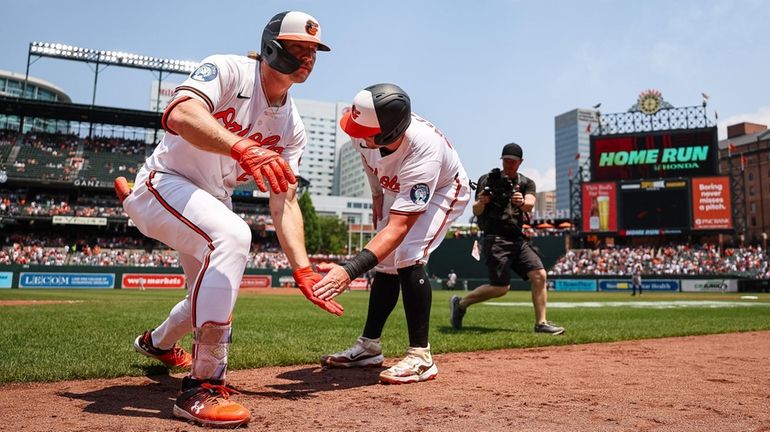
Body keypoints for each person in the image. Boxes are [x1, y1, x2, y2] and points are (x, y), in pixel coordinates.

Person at [116, 11, 341, 427]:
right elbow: (180, 115)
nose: (308, 57)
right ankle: (202, 386)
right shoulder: (229, 70)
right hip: (166, 182)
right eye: (299, 47)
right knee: (234, 236)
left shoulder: (293, 128)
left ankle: (157, 343)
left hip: (211, 199)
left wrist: (303, 267)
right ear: (272, 45)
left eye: (314, 51)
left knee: (209, 293)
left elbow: (285, 202)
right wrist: (242, 147)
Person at [312, 84, 471, 384]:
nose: (354, 132)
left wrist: (348, 272)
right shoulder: (366, 130)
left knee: (408, 254)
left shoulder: (424, 149)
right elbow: (368, 162)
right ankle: (369, 347)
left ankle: (421, 357)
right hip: (394, 185)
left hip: (444, 188)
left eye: (362, 130)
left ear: (387, 133)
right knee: (385, 261)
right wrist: (376, 195)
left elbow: (398, 229)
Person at [449, 143, 564, 335]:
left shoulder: (526, 182)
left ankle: (541, 323)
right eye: (506, 161)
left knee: (540, 275)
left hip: (517, 238)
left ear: (520, 162)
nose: (509, 164)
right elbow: (476, 210)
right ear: (502, 160)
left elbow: (530, 204)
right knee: (501, 288)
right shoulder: (488, 179)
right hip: (495, 237)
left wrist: (521, 201)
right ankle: (460, 304)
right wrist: (482, 201)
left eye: (513, 161)